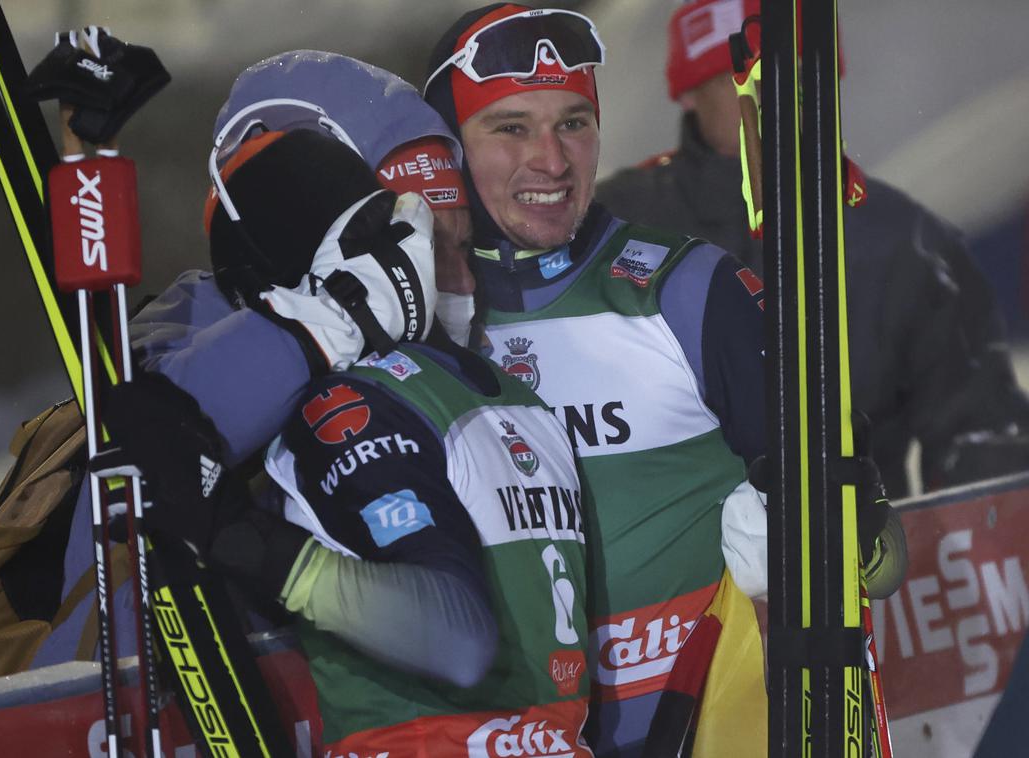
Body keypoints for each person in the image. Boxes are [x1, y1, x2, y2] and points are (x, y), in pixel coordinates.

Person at [107, 125, 594, 754]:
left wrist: (242, 541)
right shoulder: (517, 399)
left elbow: (457, 639)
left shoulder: (347, 401)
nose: (430, 261)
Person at [31, 52, 481, 669]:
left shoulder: (417, 353)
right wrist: (331, 317)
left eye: (462, 244)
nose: (459, 282)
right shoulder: (183, 332)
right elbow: (155, 435)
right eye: (418, 246)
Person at [422, 6, 774, 755]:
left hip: (695, 732)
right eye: (510, 127)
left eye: (574, 123)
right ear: (448, 147)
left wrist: (827, 534)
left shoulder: (689, 292)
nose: (551, 160)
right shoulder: (408, 322)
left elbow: (863, 534)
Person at [596, 0, 1029, 498]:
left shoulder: (901, 239)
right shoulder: (616, 227)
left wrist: (962, 547)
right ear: (689, 94)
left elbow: (982, 438)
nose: (777, 98)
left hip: (857, 559)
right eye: (747, 81)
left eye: (798, 76)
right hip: (671, 565)